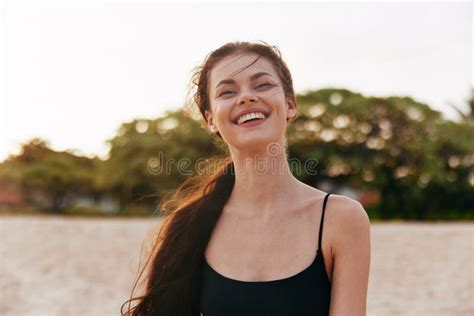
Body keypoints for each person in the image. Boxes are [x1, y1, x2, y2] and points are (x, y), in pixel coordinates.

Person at [121, 41, 371, 316]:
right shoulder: (188, 225)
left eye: (262, 85)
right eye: (228, 91)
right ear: (211, 120)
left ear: (289, 105)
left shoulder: (342, 218)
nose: (246, 97)